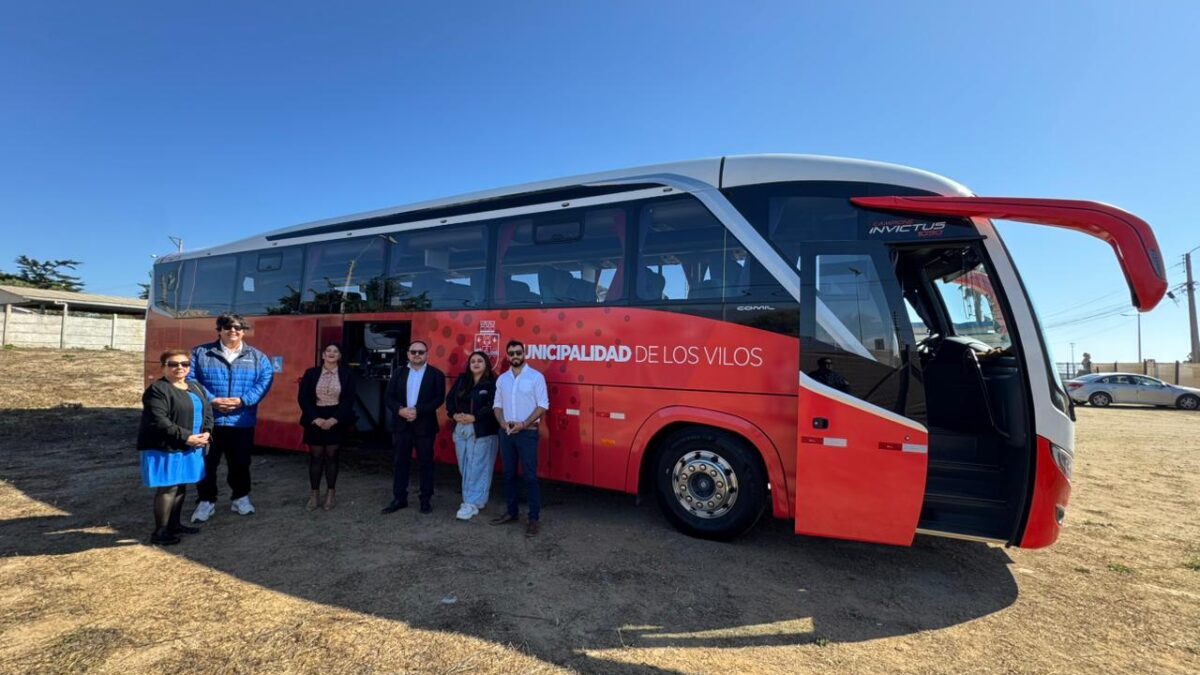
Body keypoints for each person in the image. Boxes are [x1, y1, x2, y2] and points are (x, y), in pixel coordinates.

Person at [188, 314, 275, 522]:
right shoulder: (201, 353)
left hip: (241, 420)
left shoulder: (257, 357)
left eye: (237, 328)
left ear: (243, 331)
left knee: (241, 463)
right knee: (208, 463)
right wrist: (212, 400)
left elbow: (265, 380)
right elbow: (190, 379)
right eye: (227, 327)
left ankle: (240, 498)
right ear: (219, 330)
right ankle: (206, 501)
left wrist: (242, 401)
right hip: (210, 420)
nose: (232, 331)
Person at [138, 349, 213, 545]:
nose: (179, 367)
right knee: (168, 488)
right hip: (167, 447)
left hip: (191, 445)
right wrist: (187, 437)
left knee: (181, 486)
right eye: (173, 364)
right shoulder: (158, 390)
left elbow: (207, 411)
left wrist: (207, 431)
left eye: (184, 364)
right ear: (163, 367)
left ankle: (175, 525)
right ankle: (160, 532)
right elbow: (159, 421)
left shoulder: (195, 387)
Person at [491, 339, 549, 537]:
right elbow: (497, 405)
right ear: (507, 356)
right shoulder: (502, 379)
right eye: (511, 353)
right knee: (508, 475)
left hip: (528, 433)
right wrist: (501, 422)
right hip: (506, 433)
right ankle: (512, 512)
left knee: (530, 477)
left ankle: (533, 519)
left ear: (524, 354)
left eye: (518, 352)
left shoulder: (536, 377)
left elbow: (542, 405)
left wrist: (524, 424)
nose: (515, 356)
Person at [382, 340, 446, 514]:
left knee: (426, 464)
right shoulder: (398, 373)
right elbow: (389, 396)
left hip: (425, 427)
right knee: (400, 462)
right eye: (414, 352)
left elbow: (438, 399)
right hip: (401, 425)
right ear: (408, 354)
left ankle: (425, 500)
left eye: (421, 352)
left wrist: (417, 410)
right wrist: (400, 410)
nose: (417, 355)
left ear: (427, 354)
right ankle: (399, 498)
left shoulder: (436, 374)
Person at [297, 342, 356, 511]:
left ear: (340, 356)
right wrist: (315, 418)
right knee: (316, 457)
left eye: (335, 351)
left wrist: (334, 419)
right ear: (323, 355)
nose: (331, 353)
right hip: (314, 419)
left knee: (332, 456)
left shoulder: (347, 374)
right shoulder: (311, 373)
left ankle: (331, 494)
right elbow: (303, 398)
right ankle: (314, 494)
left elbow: (349, 399)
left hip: (336, 419)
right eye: (328, 351)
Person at [445, 350, 500, 521]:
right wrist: (454, 415)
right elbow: (450, 400)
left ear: (486, 365)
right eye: (473, 361)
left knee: (478, 468)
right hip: (461, 429)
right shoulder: (462, 380)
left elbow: (494, 406)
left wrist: (475, 417)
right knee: (465, 467)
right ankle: (478, 500)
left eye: (480, 361)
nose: (476, 363)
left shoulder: (493, 383)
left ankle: (469, 504)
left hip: (482, 430)